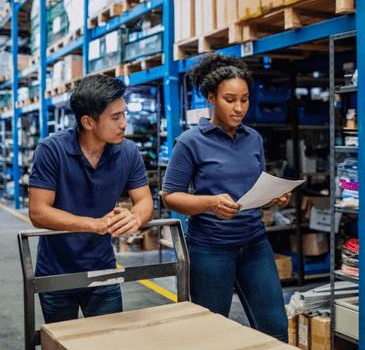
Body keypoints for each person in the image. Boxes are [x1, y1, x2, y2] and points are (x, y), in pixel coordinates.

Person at [161, 53, 291, 343]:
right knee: (212, 335)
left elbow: (254, 187)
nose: (239, 107)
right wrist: (209, 203)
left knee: (275, 327)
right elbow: (170, 196)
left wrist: (274, 196)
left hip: (255, 244)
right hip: (210, 250)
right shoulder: (190, 142)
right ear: (211, 98)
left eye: (244, 99)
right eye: (230, 99)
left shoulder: (253, 138)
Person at [28, 74, 154, 323]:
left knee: (107, 342)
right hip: (56, 273)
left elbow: (145, 202)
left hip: (103, 270)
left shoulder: (128, 152)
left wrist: (135, 218)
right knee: (62, 342)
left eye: (124, 114)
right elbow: (38, 212)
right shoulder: (51, 150)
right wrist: (94, 224)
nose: (124, 124)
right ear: (88, 122)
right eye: (115, 117)